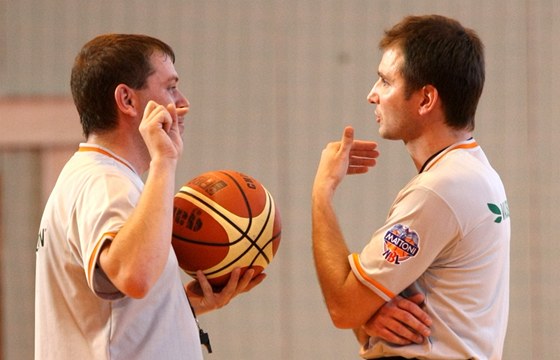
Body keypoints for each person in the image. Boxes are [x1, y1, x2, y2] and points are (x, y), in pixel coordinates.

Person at [35, 34, 264, 360]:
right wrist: (164, 161)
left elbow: (115, 302)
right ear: (127, 100)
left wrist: (182, 304)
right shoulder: (105, 182)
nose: (182, 101)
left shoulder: (92, 176)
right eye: (170, 87)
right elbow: (133, 276)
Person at [312, 15, 510, 359]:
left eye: (385, 82)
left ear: (425, 100)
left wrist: (322, 192)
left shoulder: (439, 189)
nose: (372, 95)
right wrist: (370, 313)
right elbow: (360, 313)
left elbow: (343, 308)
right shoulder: (474, 171)